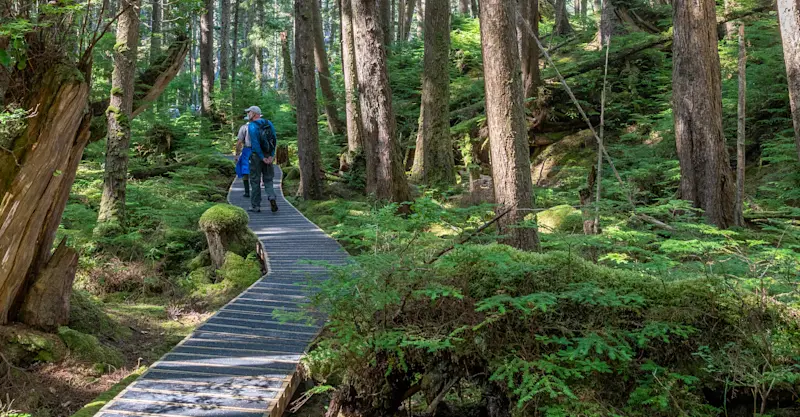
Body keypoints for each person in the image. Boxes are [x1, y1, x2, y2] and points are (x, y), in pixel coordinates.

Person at [244, 106, 278, 213]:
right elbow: (274, 139)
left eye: (249, 112)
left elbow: (255, 143)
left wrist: (261, 157)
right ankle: (271, 197)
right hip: (268, 154)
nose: (248, 114)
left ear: (254, 114)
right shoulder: (269, 123)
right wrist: (271, 155)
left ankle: (256, 206)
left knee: (255, 180)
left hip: (256, 157)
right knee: (268, 179)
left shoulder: (252, 126)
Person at [234, 117, 252, 198]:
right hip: (259, 151)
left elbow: (239, 142)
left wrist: (237, 154)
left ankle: (247, 192)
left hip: (247, 150)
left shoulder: (244, 127)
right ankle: (256, 192)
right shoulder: (261, 127)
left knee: (245, 170)